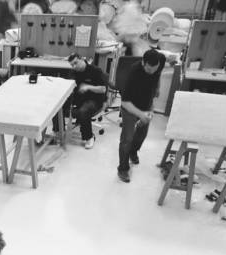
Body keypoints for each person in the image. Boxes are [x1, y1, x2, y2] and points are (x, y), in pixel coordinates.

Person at [117, 48, 165, 183]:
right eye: (149, 69)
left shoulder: (159, 61)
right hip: (130, 106)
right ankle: (123, 168)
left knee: (141, 135)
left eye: (154, 69)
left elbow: (158, 74)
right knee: (127, 138)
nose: (152, 72)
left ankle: (133, 152)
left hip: (146, 104)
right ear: (143, 63)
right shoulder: (133, 73)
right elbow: (125, 103)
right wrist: (141, 114)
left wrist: (157, 89)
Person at [52, 53, 108, 149]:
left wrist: (88, 87)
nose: (74, 67)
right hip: (78, 99)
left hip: (95, 100)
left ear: (82, 59)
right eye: (72, 65)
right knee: (56, 106)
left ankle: (89, 137)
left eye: (76, 63)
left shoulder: (95, 71)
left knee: (83, 111)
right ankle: (59, 132)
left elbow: (103, 89)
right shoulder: (73, 73)